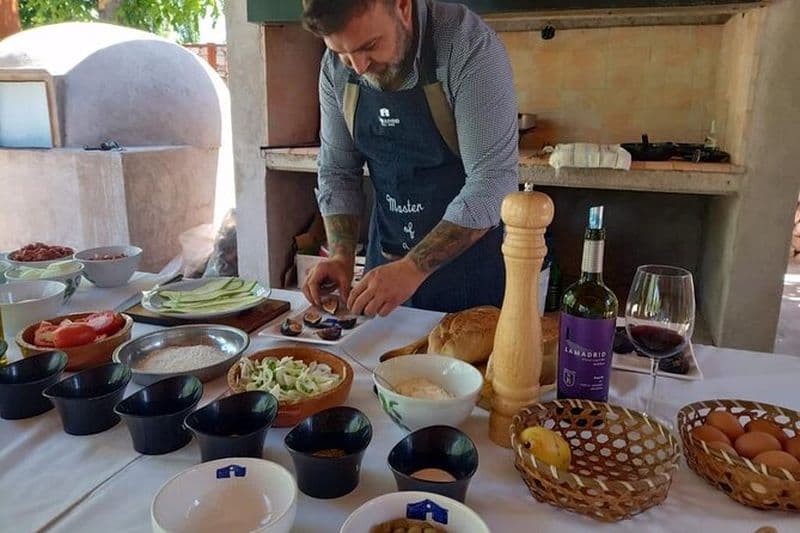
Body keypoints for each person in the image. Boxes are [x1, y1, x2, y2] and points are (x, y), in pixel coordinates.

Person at [301, 0, 519, 316]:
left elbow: (491, 183)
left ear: (402, 6)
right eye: (342, 54)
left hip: (467, 279)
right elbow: (338, 170)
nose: (359, 67)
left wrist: (412, 268)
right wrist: (340, 256)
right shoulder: (336, 70)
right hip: (383, 268)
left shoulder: (467, 47)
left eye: (370, 46)